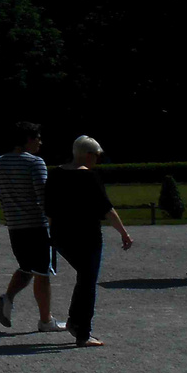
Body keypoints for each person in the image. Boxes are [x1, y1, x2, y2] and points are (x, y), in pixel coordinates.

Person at [45, 135, 134, 347]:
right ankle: (82, 332)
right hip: (87, 236)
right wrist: (123, 232)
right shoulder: (89, 177)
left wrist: (50, 235)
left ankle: (75, 322)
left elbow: (48, 209)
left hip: (61, 236)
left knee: (84, 279)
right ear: (88, 155)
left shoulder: (55, 174)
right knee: (88, 283)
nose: (97, 159)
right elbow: (107, 210)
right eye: (97, 155)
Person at [0, 122, 66, 332]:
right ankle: (45, 321)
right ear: (28, 139)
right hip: (37, 225)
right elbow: (45, 197)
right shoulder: (35, 163)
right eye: (38, 138)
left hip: (15, 226)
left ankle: (8, 298)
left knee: (26, 267)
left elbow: (0, 194)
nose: (41, 142)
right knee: (43, 273)